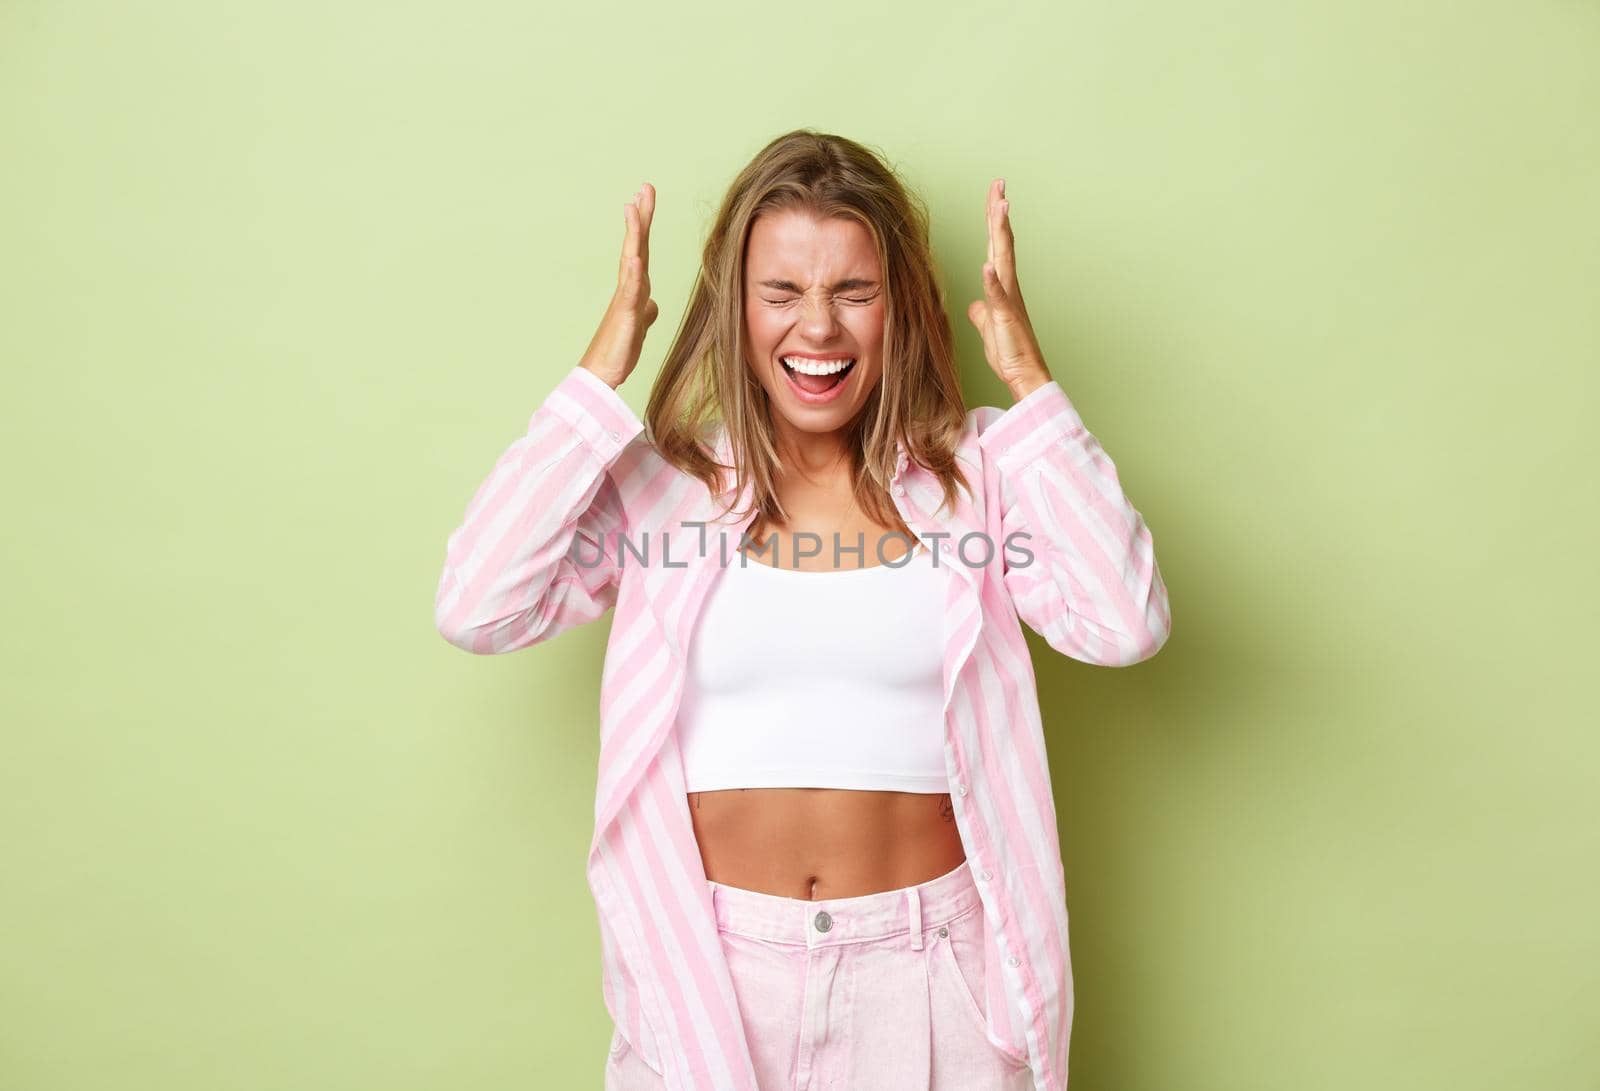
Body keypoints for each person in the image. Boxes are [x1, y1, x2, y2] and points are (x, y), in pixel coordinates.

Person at [434, 129, 1171, 1091]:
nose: (816, 329)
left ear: (898, 306)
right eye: (780, 293)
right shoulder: (665, 487)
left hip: (930, 973)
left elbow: (1124, 622)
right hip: (714, 970)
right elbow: (478, 605)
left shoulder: (980, 475)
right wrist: (597, 376)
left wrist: (1031, 386)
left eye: (853, 293)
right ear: (733, 309)